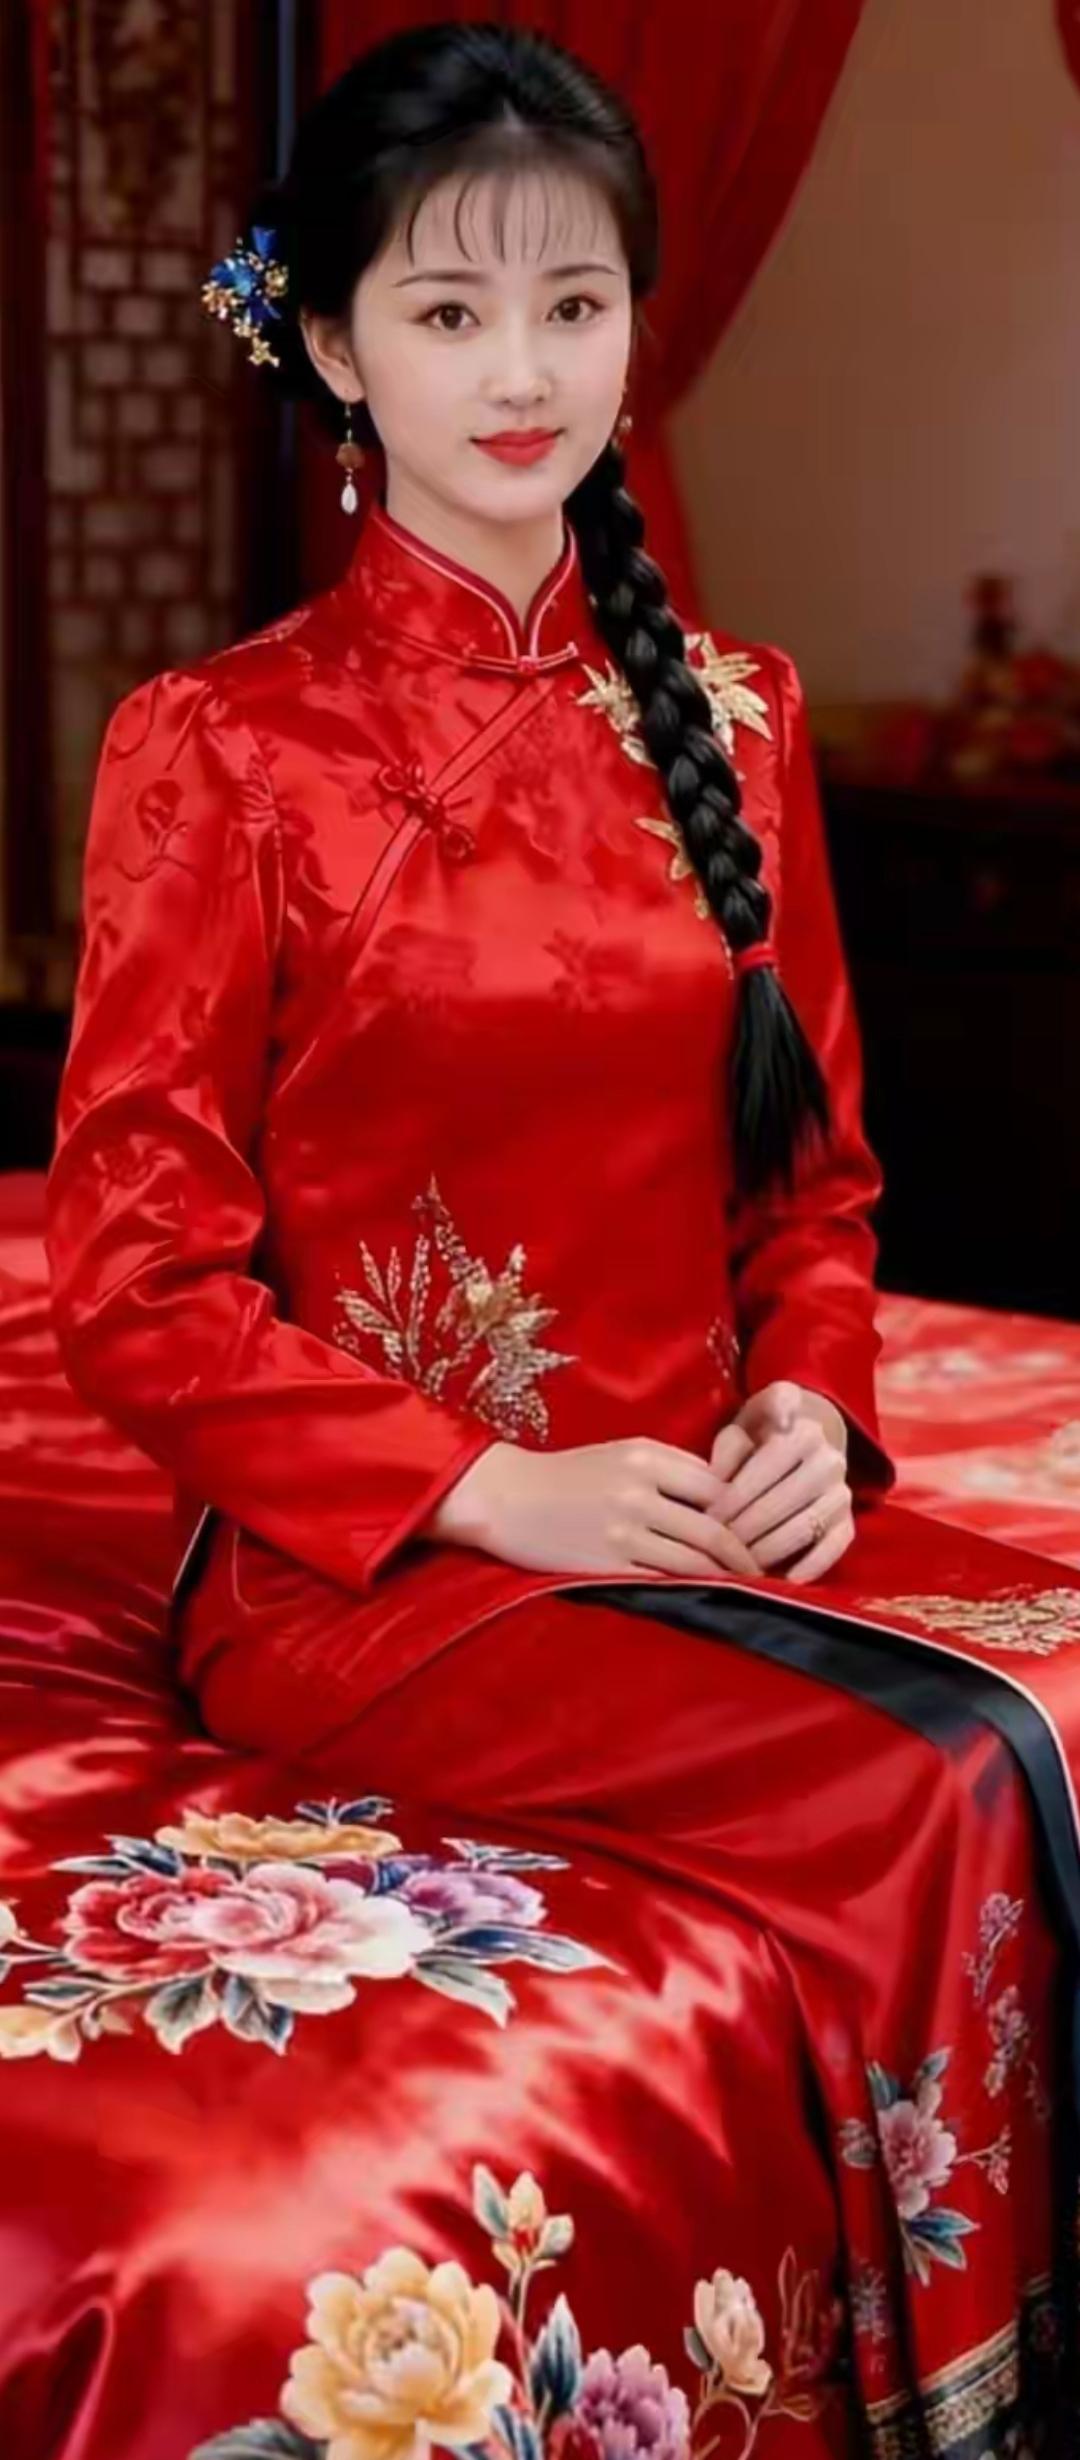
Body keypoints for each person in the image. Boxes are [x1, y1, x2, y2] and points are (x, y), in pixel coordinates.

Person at [41, 22, 1080, 2452]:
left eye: (575, 306)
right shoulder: (225, 750)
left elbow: (814, 1188)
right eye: (450, 311)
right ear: (332, 345)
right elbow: (137, 1285)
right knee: (943, 1781)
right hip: (377, 1577)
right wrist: (496, 1488)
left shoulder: (738, 717)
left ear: (632, 324)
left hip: (705, 1520)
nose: (522, 374)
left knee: (1041, 1713)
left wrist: (810, 1398)